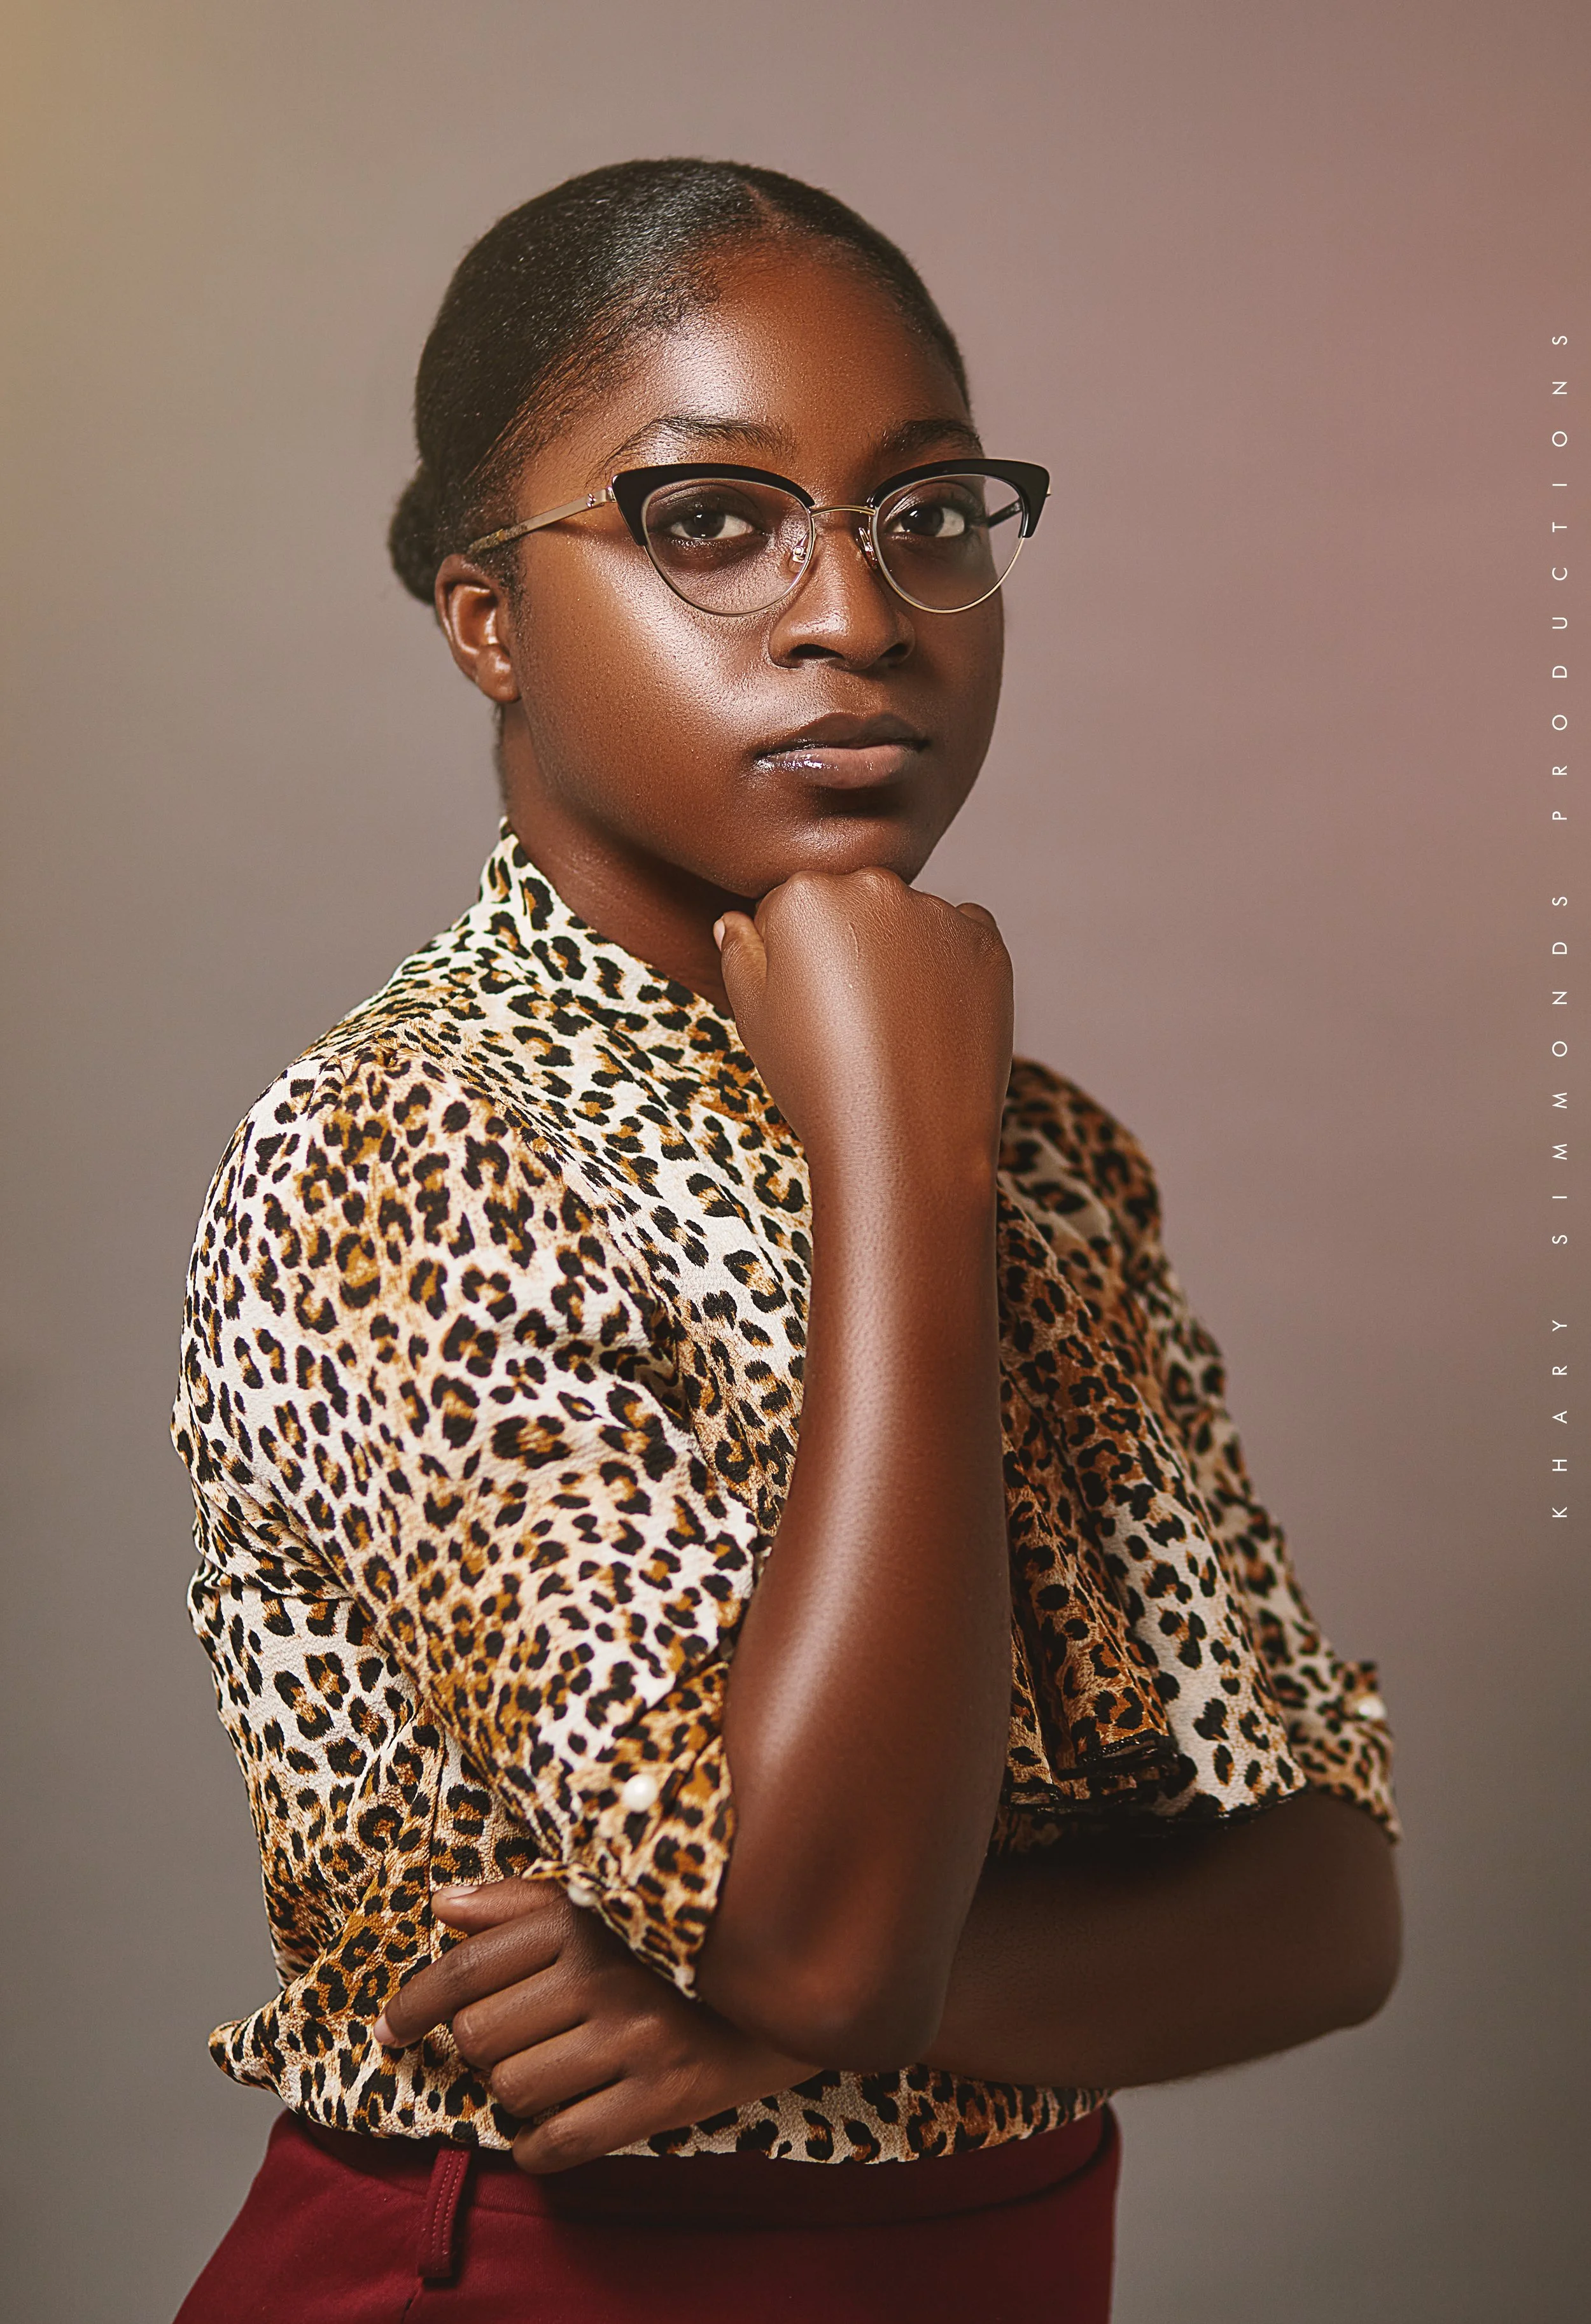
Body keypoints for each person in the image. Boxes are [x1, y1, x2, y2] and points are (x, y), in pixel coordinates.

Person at [171, 158, 1399, 2323]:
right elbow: (827, 1927)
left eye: (926, 511)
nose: (858, 611)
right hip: (560, 2278)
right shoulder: (414, 1139)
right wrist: (895, 1185)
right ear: (487, 617)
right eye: (709, 519)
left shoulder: (1052, 1159)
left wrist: (812, 2008)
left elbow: (1322, 1907)